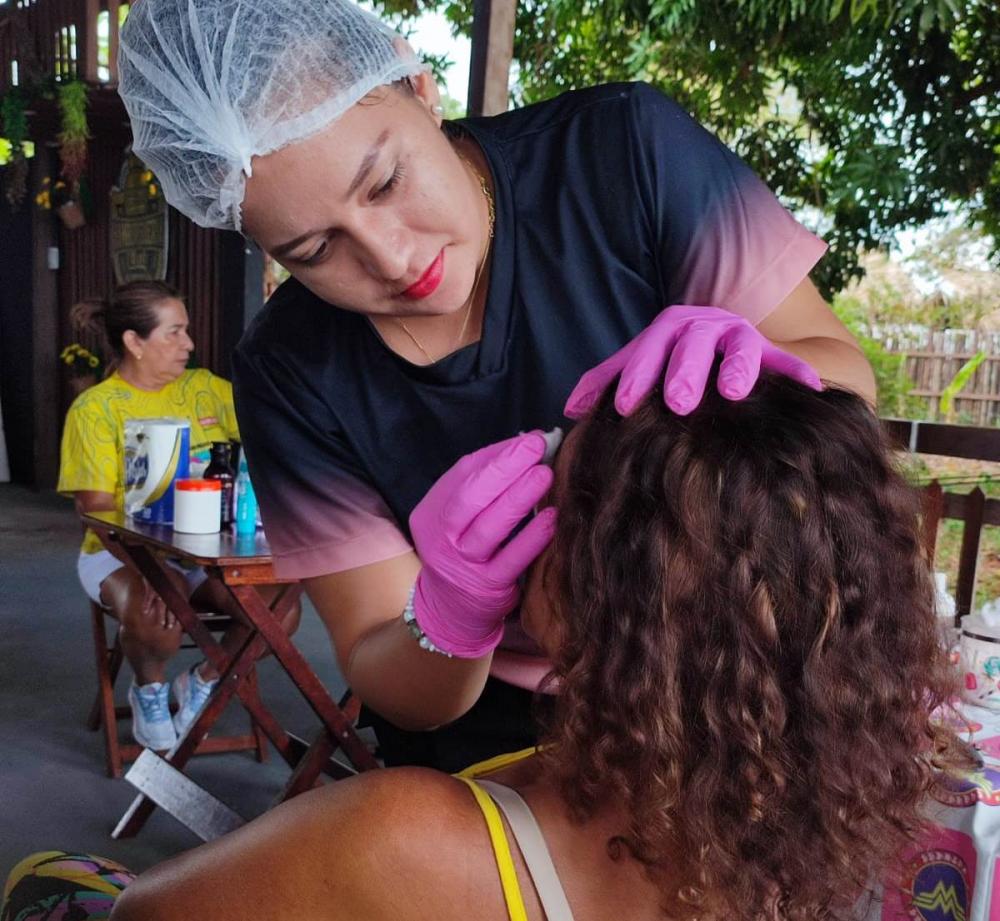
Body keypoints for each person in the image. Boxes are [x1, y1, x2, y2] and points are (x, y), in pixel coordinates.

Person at [116, 0, 877, 770]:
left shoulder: (622, 152)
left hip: (722, 661)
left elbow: (850, 391)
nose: (391, 258)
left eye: (384, 182)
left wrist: (782, 380)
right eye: (314, 250)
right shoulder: (288, 368)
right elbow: (384, 662)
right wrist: (447, 617)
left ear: (416, 84)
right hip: (491, 719)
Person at [14, 370, 959, 921]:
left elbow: (143, 915)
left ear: (590, 603)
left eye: (551, 495)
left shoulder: (405, 836)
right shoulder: (821, 820)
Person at [58, 281, 301, 751]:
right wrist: (145, 567)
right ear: (135, 341)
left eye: (186, 331)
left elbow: (272, 427)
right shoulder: (97, 409)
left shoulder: (205, 390)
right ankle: (149, 689)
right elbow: (95, 510)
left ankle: (206, 678)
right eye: (174, 332)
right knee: (156, 612)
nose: (188, 343)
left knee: (281, 612)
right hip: (116, 553)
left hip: (203, 554)